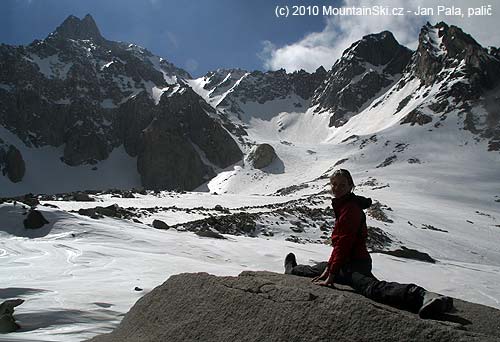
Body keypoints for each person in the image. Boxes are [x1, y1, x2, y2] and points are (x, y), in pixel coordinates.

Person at [284, 169, 453, 319]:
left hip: (355, 263)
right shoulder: (344, 205)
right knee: (318, 269)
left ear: (351, 186)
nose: (337, 188)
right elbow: (339, 245)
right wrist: (330, 268)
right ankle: (292, 270)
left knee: (371, 288)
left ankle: (422, 296)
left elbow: (344, 243)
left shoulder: (350, 209)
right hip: (346, 262)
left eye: (342, 184)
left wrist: (332, 273)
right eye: (334, 184)